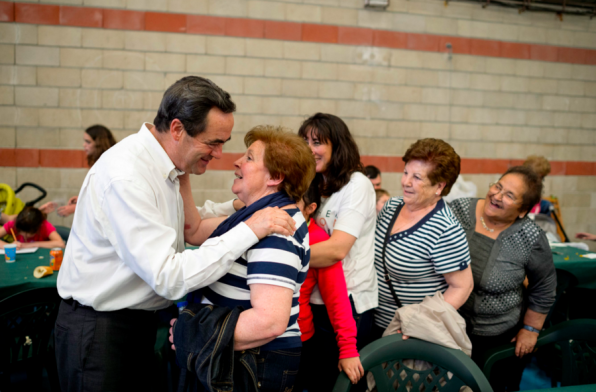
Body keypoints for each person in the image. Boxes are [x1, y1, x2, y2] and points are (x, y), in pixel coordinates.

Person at [54, 76, 296, 392]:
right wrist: (249, 228)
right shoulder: (128, 177)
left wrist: (246, 206)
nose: (221, 154)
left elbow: (189, 225)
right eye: (213, 142)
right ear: (178, 129)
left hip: (139, 323)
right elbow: (170, 275)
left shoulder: (167, 168)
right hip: (102, 330)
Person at [175, 126, 315, 391]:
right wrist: (181, 166)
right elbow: (193, 230)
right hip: (245, 358)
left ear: (275, 176)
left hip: (256, 363)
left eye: (249, 158)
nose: (237, 161)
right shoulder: (258, 216)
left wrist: (191, 334)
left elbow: (270, 321)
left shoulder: (276, 229)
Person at [449, 165, 557, 391]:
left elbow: (544, 287)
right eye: (498, 186)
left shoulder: (530, 237)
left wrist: (531, 330)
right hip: (449, 329)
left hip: (498, 337)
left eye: (509, 195)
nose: (496, 196)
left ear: (523, 210)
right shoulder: (457, 211)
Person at [299, 113, 377, 391]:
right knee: (320, 382)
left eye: (317, 142)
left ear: (338, 146)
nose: (309, 149)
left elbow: (336, 250)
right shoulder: (313, 184)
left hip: (350, 303)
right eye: (304, 141)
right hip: (315, 303)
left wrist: (282, 258)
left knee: (344, 384)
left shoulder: (357, 185)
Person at [373, 138, 473, 335]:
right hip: (374, 322)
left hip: (410, 335)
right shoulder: (391, 207)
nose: (406, 182)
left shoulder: (445, 228)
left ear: (439, 186)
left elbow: (463, 286)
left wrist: (421, 323)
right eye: (405, 173)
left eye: (417, 177)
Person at [296, 179, 363, 388]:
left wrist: (348, 349)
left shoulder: (318, 241)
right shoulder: (266, 227)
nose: (282, 209)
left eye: (292, 203)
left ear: (310, 209)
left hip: (296, 340)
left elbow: (337, 299)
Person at [40, 125, 117, 218]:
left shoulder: (109, 165)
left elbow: (107, 199)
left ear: (99, 143)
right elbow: (97, 193)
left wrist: (76, 208)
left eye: (88, 142)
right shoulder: (100, 162)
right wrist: (82, 199)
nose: (84, 145)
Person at [0, 206, 65, 249]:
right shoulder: (14, 224)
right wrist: (8, 246)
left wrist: (30, 245)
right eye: (20, 231)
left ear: (37, 228)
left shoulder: (44, 225)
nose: (24, 236)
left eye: (28, 234)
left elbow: (60, 243)